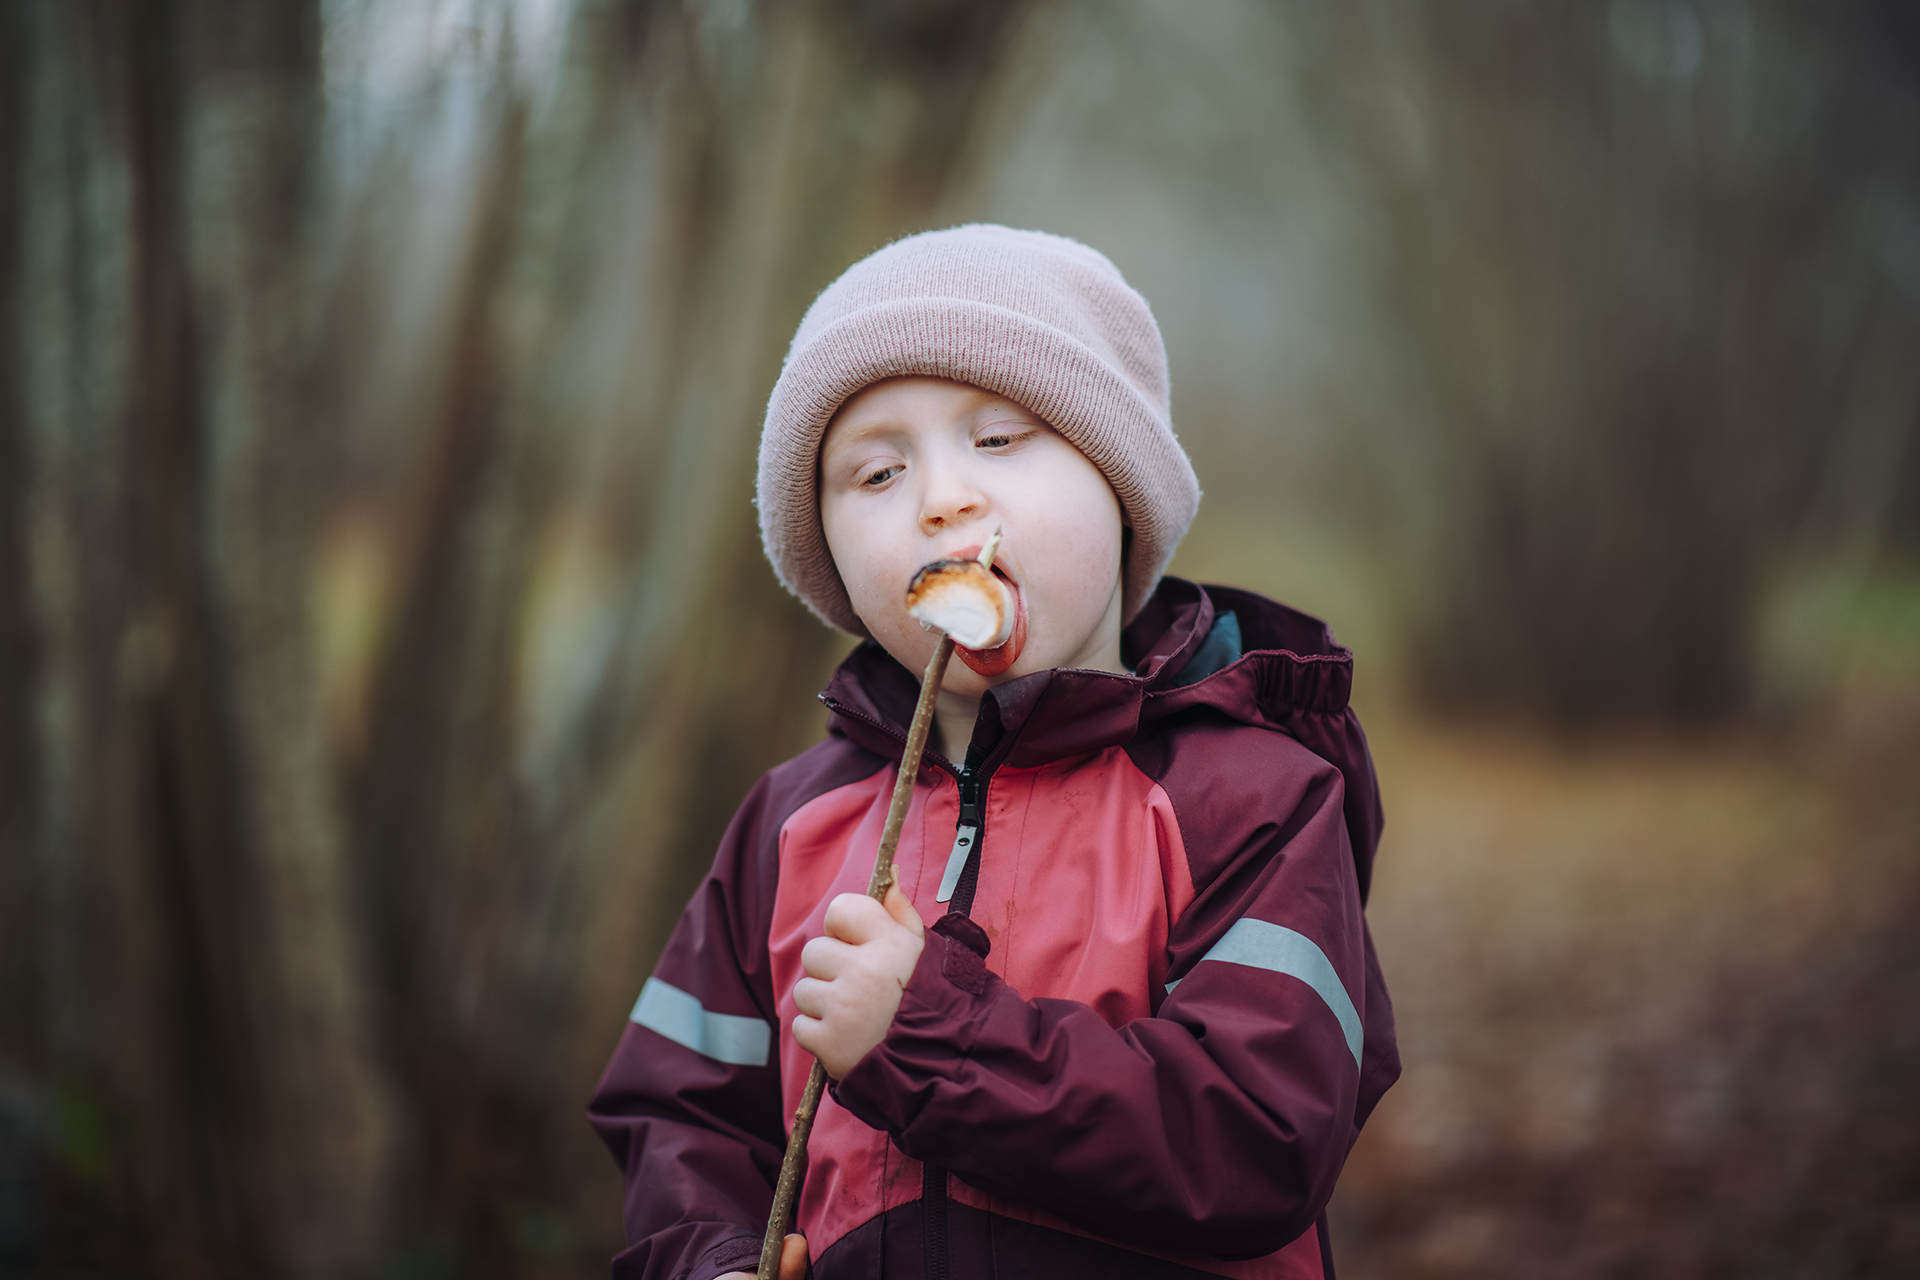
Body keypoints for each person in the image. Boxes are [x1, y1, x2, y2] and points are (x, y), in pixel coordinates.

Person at [588, 225, 1398, 1280]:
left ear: (1119, 487)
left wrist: (921, 1032)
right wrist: (709, 1256)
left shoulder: (1250, 796)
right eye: (876, 471)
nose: (942, 498)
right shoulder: (791, 825)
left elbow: (1256, 1134)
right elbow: (679, 1109)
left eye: (1001, 440)